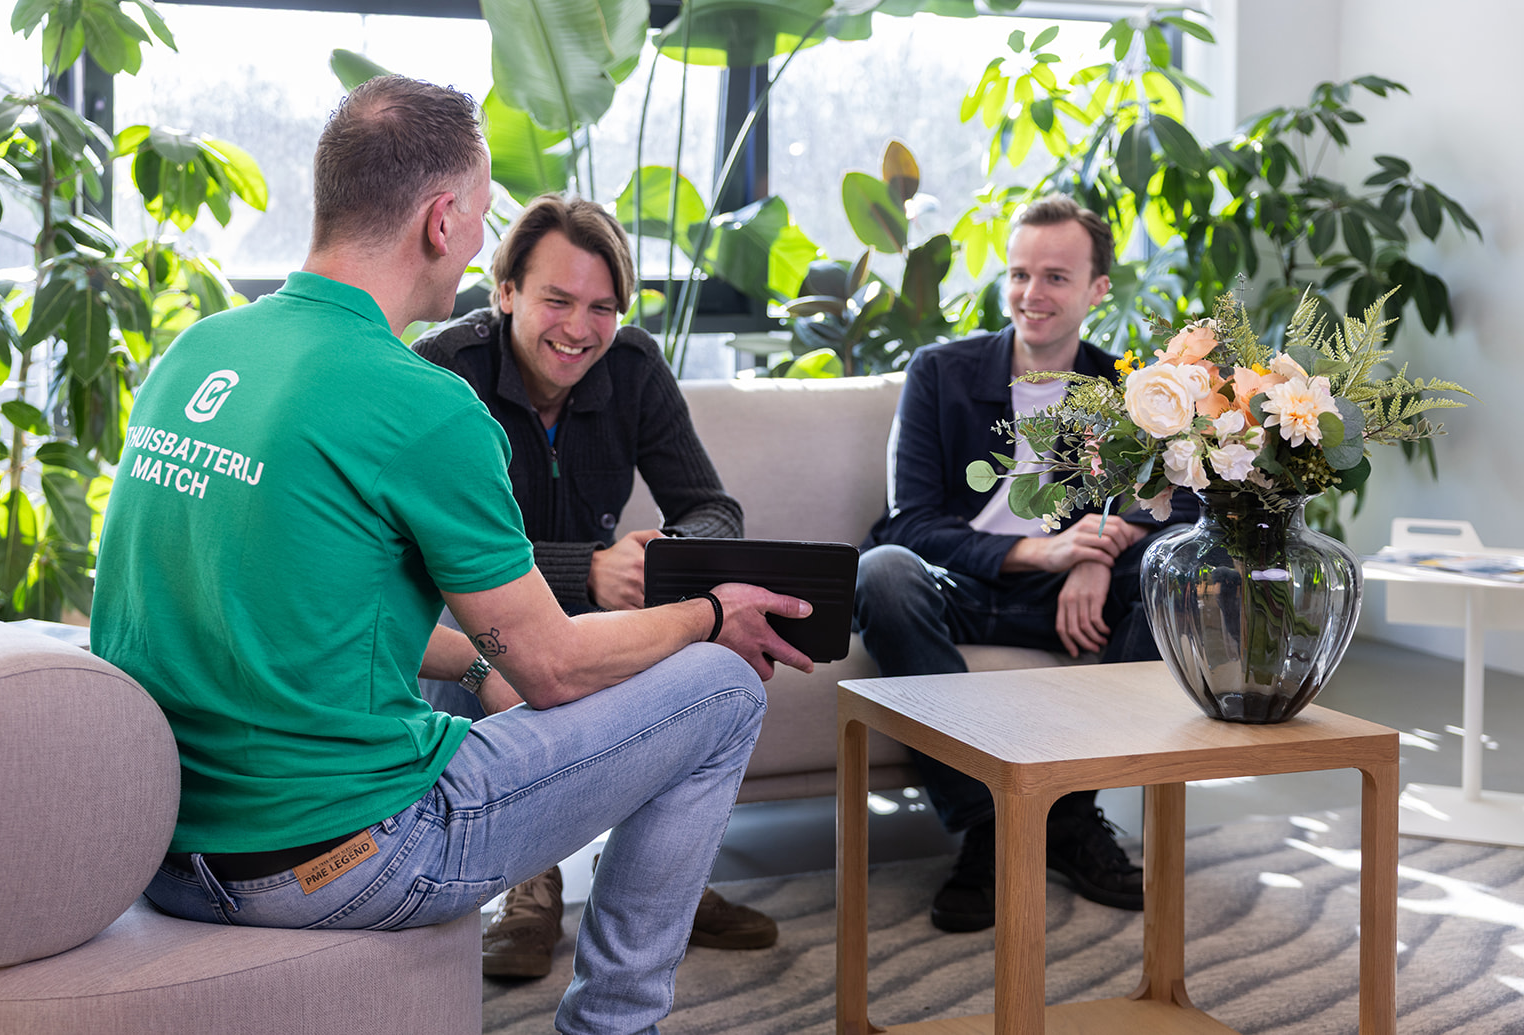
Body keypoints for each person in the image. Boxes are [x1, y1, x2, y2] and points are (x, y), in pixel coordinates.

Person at [89, 76, 814, 1035]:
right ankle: (613, 1025)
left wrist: (477, 659)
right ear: (442, 220)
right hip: (340, 857)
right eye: (477, 219)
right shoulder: (425, 402)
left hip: (167, 852)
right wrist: (714, 616)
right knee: (724, 688)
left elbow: (298, 608)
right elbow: (552, 668)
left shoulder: (197, 351)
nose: (474, 244)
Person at [412, 193, 777, 979]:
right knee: (463, 631)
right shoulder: (445, 369)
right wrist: (588, 566)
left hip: (597, 616)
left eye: (602, 307)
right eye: (558, 299)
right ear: (505, 292)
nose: (580, 328)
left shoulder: (635, 368)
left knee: (712, 665)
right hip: (482, 617)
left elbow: (714, 510)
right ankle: (527, 886)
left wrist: (661, 560)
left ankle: (656, 877)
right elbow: (425, 550)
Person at [854, 194, 1196, 934]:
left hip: (1074, 603)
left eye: (1055, 277)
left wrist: (1101, 548)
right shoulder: (939, 374)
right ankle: (989, 825)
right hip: (965, 588)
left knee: (1172, 565)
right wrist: (1040, 548)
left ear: (1098, 288)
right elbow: (909, 521)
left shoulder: (1129, 391)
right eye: (1017, 274)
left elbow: (1186, 505)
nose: (1030, 295)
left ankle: (1068, 814)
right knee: (881, 570)